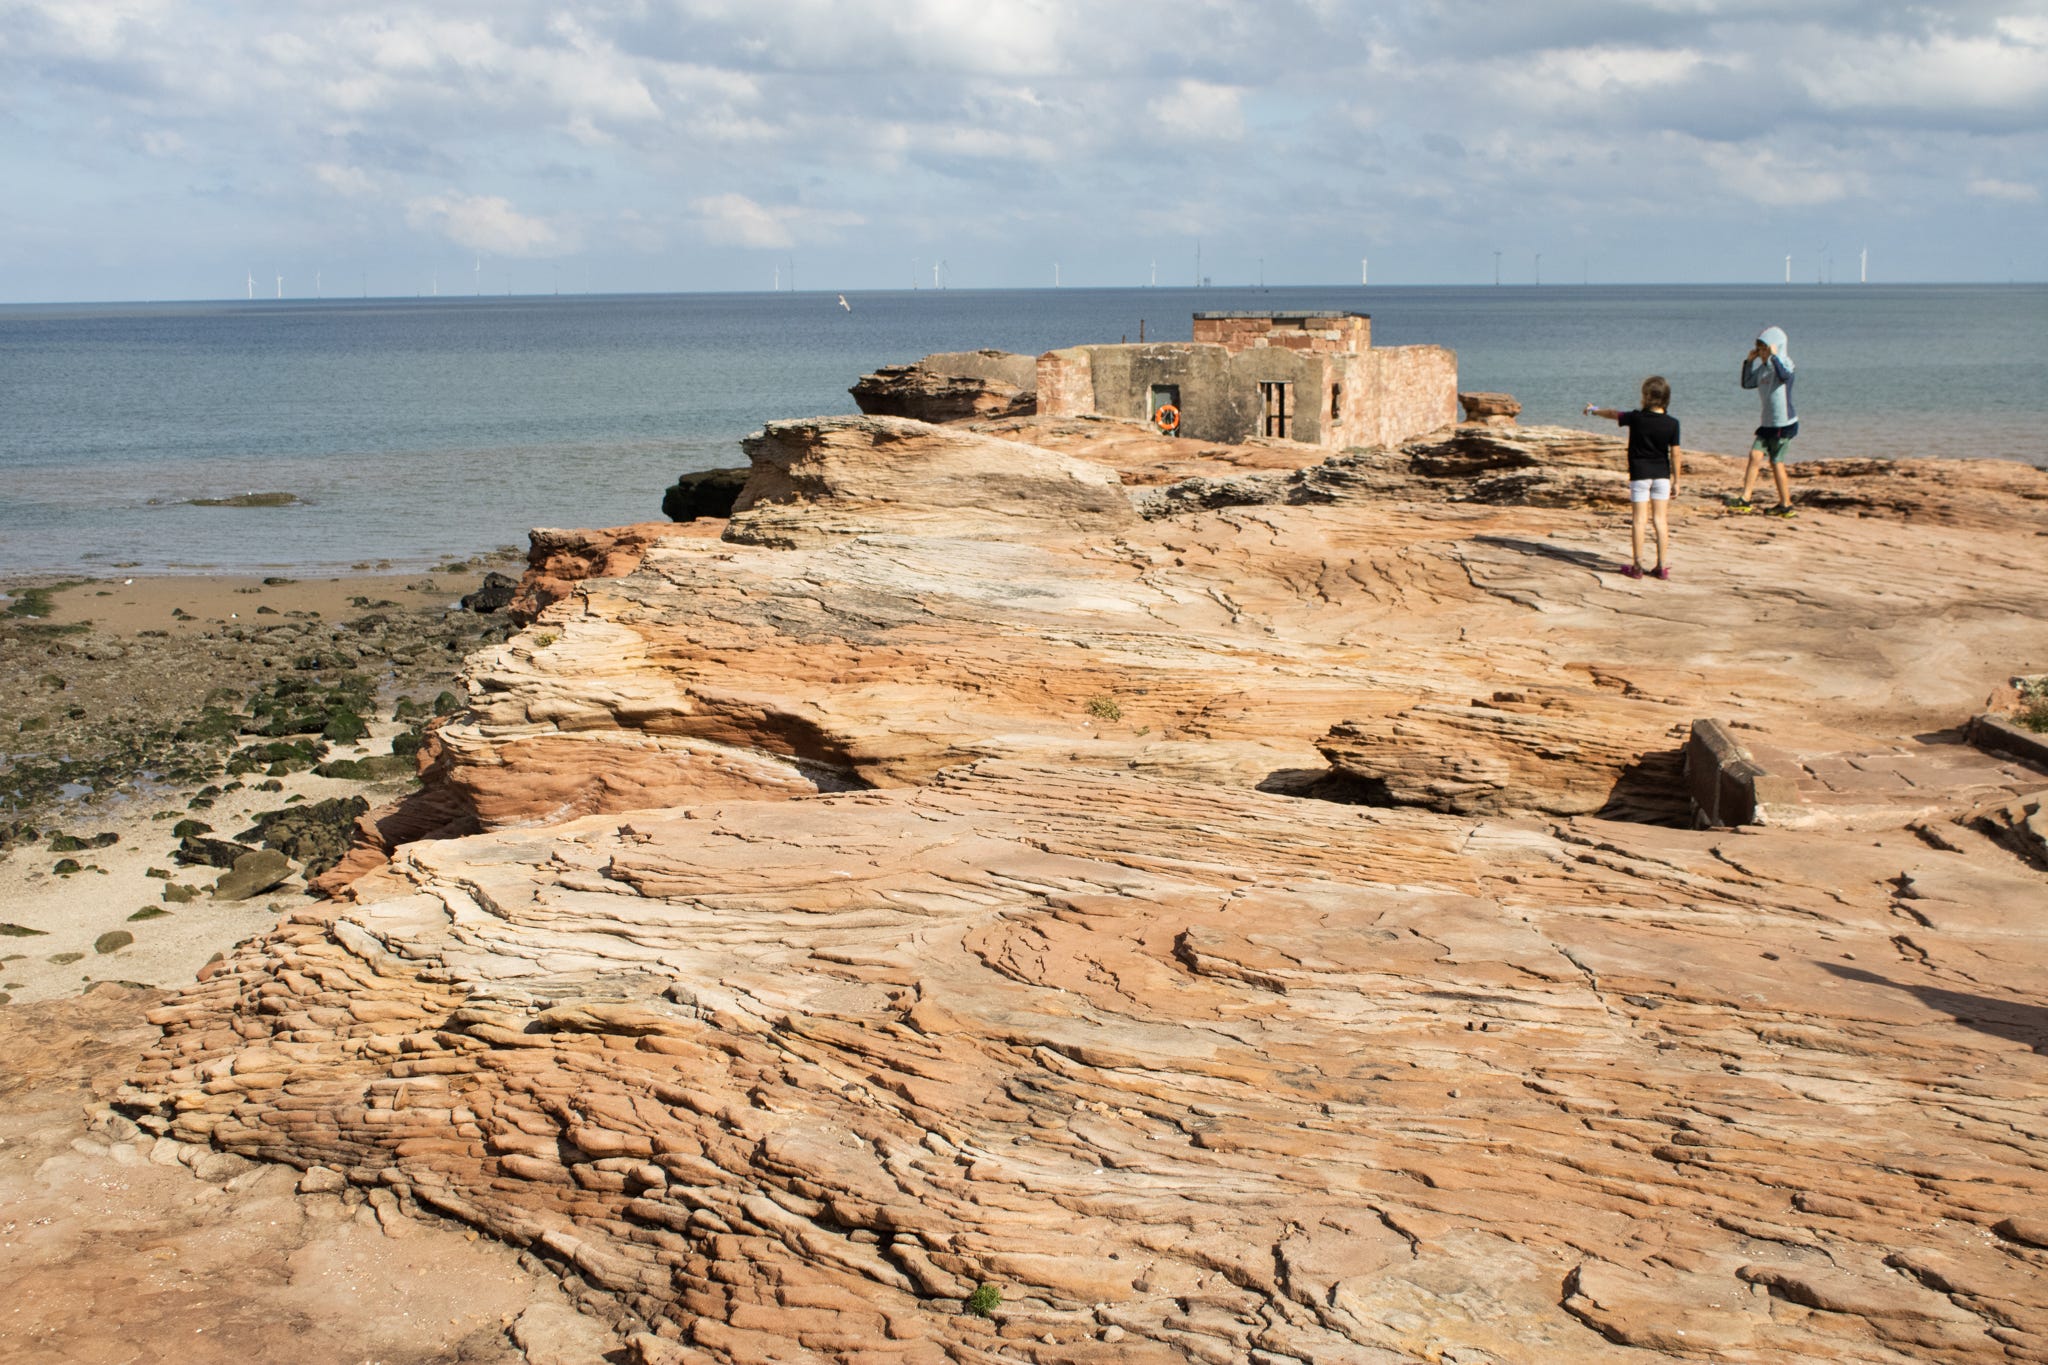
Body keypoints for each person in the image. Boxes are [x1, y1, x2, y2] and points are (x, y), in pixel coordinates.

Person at [1584, 376, 1683, 580]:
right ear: (1666, 398)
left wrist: (1594, 410)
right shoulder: (1672, 424)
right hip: (1662, 476)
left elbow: (1613, 414)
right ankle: (1661, 567)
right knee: (1660, 520)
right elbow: (1676, 453)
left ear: (1646, 397)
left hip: (1640, 475)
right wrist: (1677, 480)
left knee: (1639, 520)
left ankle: (1637, 566)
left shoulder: (1636, 418)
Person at [1730, 325, 1797, 516]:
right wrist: (1748, 362)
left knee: (1777, 463)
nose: (1761, 353)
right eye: (1759, 349)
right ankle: (1745, 498)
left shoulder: (1785, 364)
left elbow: (1785, 377)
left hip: (1783, 424)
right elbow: (1747, 383)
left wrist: (1775, 357)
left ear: (1775, 347)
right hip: (1767, 424)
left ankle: (1786, 504)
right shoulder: (1763, 369)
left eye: (1764, 349)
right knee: (1754, 456)